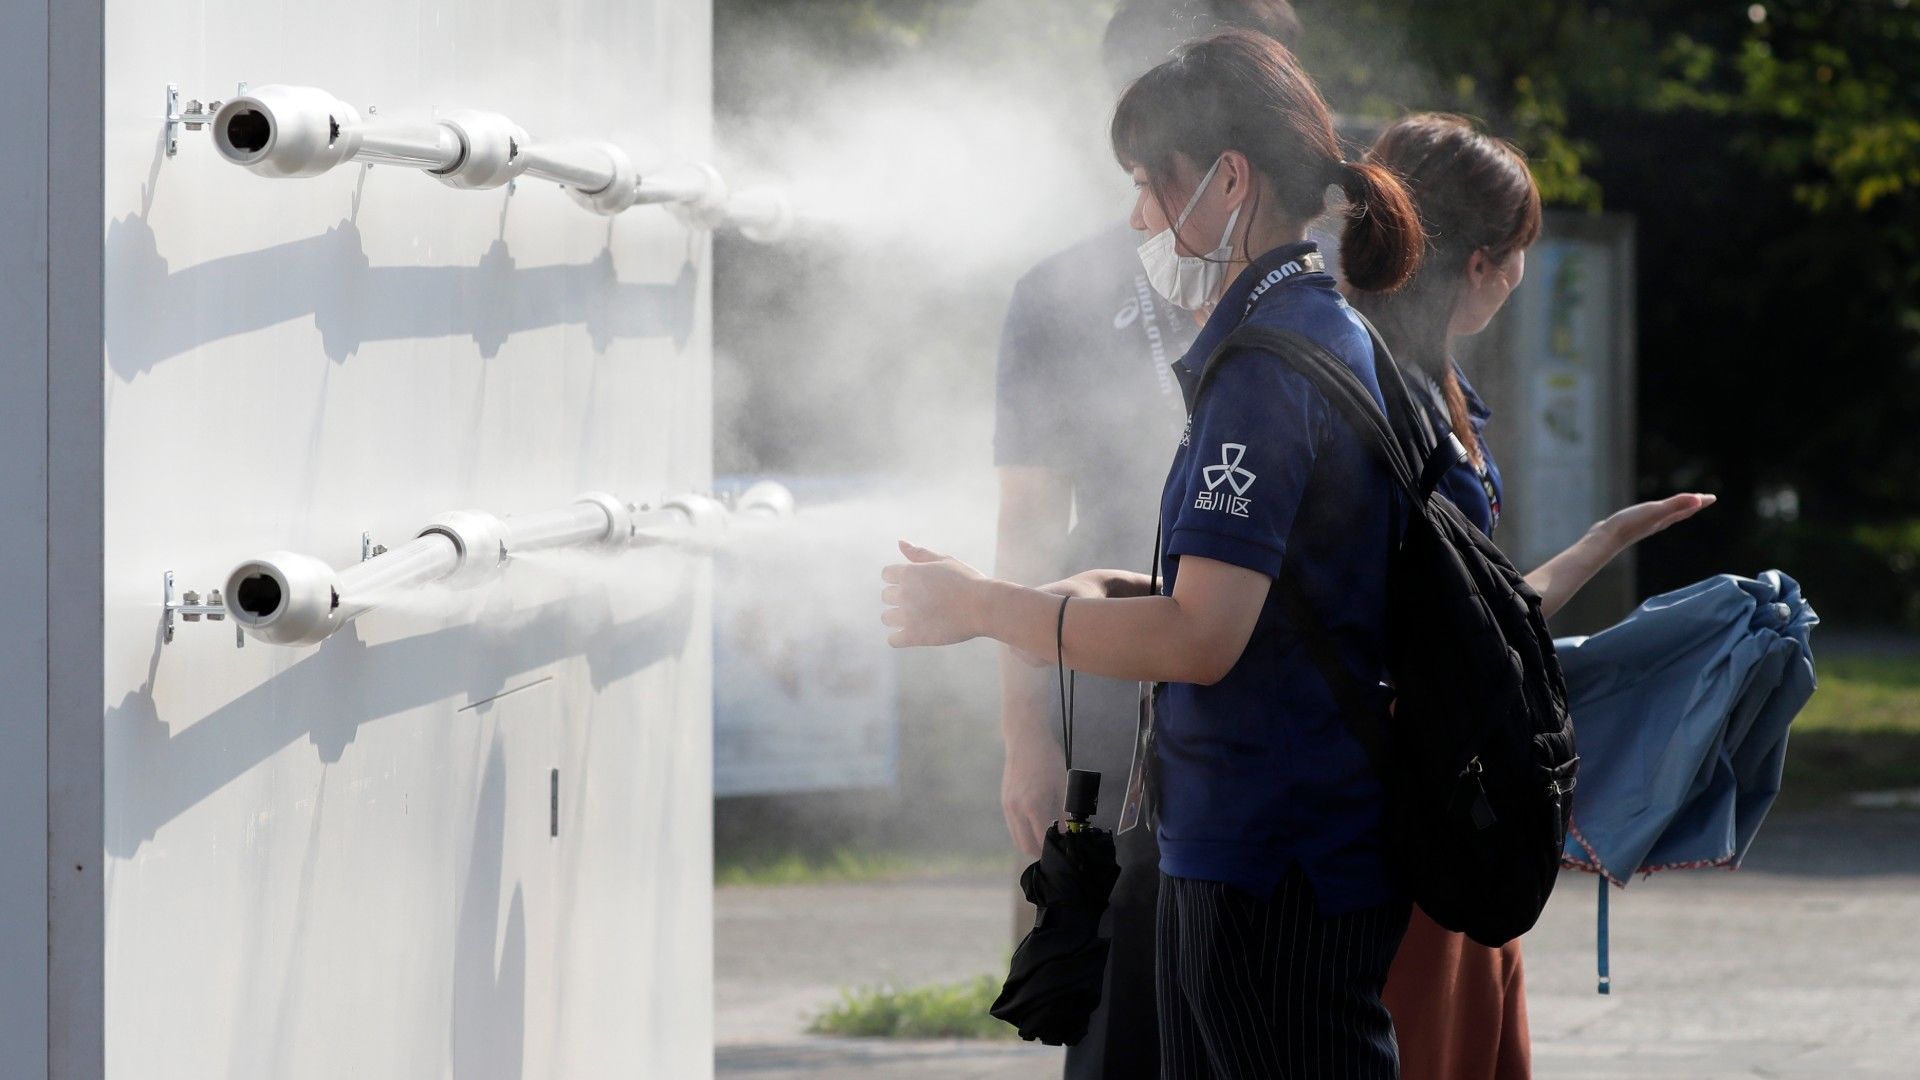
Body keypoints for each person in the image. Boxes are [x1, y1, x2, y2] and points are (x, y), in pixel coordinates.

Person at [887, 29, 1430, 1076]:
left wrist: (984, 607)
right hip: (1264, 839)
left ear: (1228, 179)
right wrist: (1113, 590)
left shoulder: (1267, 366)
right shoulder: (1310, 331)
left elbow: (1203, 637)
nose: (1138, 216)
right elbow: (1268, 597)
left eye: (1149, 184)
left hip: (1271, 854)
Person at [1347, 113, 1715, 1079]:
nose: (1519, 278)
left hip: (1458, 787)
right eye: (1518, 256)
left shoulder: (1426, 382)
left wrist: (1602, 543)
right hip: (1413, 802)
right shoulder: (1375, 393)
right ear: (1478, 263)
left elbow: (1473, 622)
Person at [992, 4, 1299, 1077]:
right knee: (1121, 1017)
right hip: (1120, 712)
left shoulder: (1321, 292)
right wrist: (1026, 733)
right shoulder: (1062, 292)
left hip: (1288, 717)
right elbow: (1026, 529)